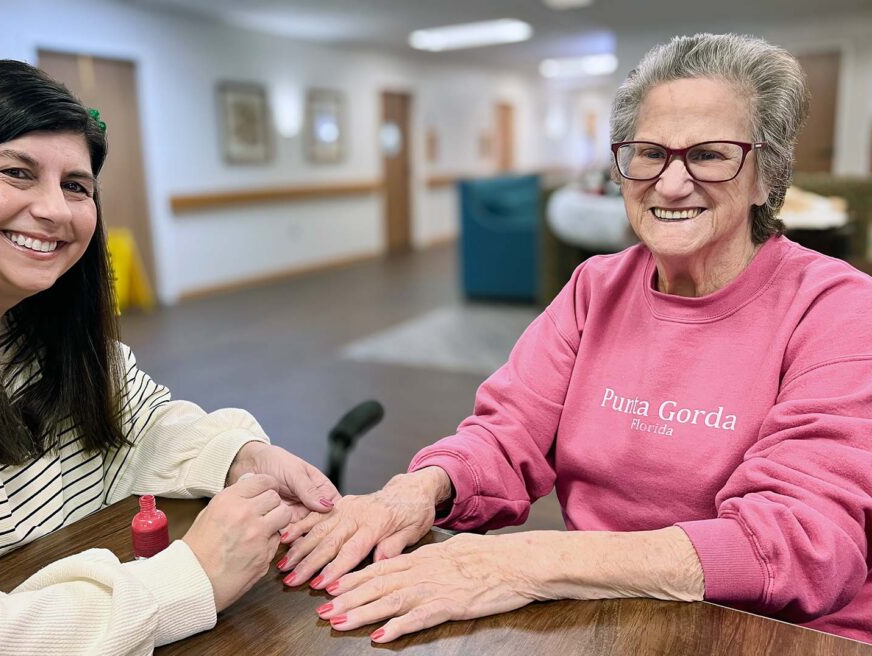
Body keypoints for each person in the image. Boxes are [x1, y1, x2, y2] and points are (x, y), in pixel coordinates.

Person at [278, 33, 872, 645]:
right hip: (605, 615)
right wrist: (415, 492)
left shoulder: (838, 308)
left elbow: (797, 542)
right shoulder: (595, 286)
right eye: (648, 153)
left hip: (777, 634)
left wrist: (525, 564)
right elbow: (507, 434)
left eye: (710, 155)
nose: (670, 184)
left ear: (764, 177)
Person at [0, 60, 339, 654]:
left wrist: (241, 457)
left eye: (76, 185)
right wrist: (186, 581)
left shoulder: (29, 303)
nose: (56, 210)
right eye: (16, 172)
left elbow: (140, 419)